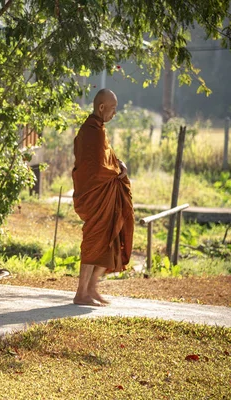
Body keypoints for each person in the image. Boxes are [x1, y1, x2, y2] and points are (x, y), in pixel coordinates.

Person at [71, 88, 134, 306]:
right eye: (113, 108)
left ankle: (92, 289)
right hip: (94, 196)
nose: (115, 113)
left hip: (104, 195)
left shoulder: (99, 129)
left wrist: (119, 165)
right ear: (101, 107)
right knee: (93, 242)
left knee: (108, 240)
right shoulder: (91, 131)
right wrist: (118, 171)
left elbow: (107, 157)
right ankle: (81, 293)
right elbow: (96, 167)